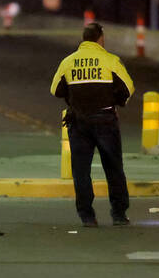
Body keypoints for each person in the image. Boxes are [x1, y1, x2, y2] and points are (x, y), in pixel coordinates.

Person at [50, 21, 134, 227]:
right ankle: (119, 214)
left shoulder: (69, 62)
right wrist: (114, 101)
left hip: (78, 122)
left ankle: (87, 216)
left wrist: (74, 99)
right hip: (105, 121)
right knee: (114, 168)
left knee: (81, 171)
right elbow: (128, 88)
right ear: (101, 38)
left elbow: (55, 89)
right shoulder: (110, 60)